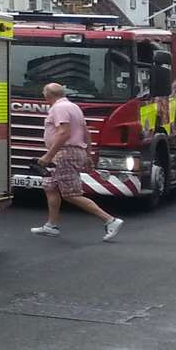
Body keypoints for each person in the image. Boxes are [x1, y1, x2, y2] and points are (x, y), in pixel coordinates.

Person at [32, 81, 124, 242]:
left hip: (64, 153)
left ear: (47, 95)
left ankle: (110, 220)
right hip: (71, 152)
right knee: (50, 186)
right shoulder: (74, 107)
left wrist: (48, 155)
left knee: (71, 194)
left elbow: (64, 133)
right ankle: (51, 226)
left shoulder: (59, 108)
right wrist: (88, 155)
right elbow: (86, 132)